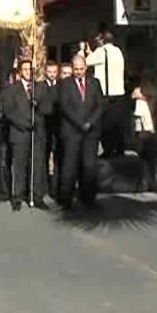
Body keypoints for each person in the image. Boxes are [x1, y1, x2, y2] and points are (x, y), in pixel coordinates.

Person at [2, 60, 52, 211]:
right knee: (19, 165)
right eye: (24, 69)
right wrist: (23, 124)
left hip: (37, 132)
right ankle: (17, 196)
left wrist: (39, 105)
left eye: (30, 69)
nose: (27, 72)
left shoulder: (41, 88)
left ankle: (37, 196)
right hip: (20, 132)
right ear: (20, 71)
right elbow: (8, 112)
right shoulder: (11, 89)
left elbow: (48, 108)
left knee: (37, 165)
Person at [57, 56, 104, 210]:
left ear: (86, 68)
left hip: (90, 132)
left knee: (90, 167)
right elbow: (65, 107)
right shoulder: (65, 84)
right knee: (69, 167)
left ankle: (89, 199)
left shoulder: (94, 82)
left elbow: (100, 105)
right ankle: (66, 200)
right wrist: (80, 123)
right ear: (72, 68)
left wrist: (90, 122)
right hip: (72, 132)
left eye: (81, 69)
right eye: (76, 69)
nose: (78, 72)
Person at [86, 31, 126, 158]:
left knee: (106, 124)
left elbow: (86, 62)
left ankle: (108, 150)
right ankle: (120, 149)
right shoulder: (118, 51)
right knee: (118, 123)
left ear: (102, 41)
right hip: (119, 92)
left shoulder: (101, 51)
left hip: (106, 94)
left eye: (98, 40)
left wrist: (86, 51)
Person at [38, 61, 60, 198]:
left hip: (57, 127)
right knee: (43, 156)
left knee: (57, 157)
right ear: (46, 72)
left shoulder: (61, 86)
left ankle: (55, 187)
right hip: (44, 127)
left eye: (54, 72)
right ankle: (44, 186)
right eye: (49, 72)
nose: (52, 75)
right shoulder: (40, 86)